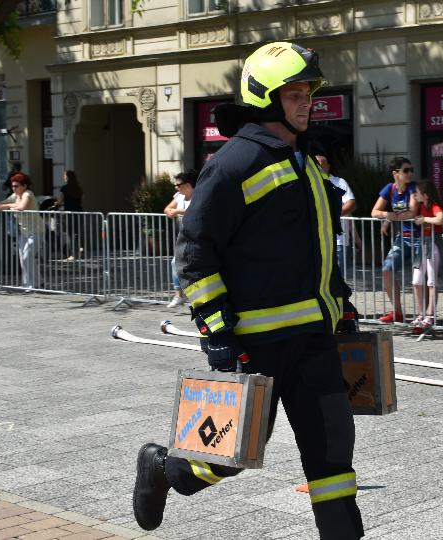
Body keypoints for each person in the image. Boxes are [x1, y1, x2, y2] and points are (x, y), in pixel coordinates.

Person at [132, 42, 364, 539]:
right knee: (225, 458)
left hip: (315, 343)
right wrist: (216, 327)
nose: (307, 103)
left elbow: (319, 246)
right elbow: (195, 251)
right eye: (295, 93)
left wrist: (340, 302)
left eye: (309, 93)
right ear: (265, 97)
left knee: (333, 460)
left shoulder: (305, 161)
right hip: (255, 345)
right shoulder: (234, 162)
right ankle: (163, 469)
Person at [370, 157, 417, 323]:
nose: (410, 173)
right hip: (402, 238)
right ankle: (397, 312)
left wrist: (391, 219)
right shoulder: (389, 188)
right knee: (386, 269)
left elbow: (412, 212)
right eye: (406, 170)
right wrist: (387, 215)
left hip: (420, 238)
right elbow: (374, 211)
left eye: (411, 170)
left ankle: (425, 317)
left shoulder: (413, 187)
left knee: (420, 278)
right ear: (395, 173)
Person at [0, 172, 43, 290]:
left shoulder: (28, 193)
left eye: (16, 186)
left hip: (36, 231)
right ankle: (34, 282)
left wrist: (10, 206)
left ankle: (31, 285)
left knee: (27, 257)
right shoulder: (14, 196)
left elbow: (22, 207)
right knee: (24, 259)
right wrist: (12, 205)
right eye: (13, 186)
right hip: (24, 232)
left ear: (24, 186)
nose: (14, 188)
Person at [410, 180, 443, 333]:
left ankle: (430, 315)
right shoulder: (422, 206)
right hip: (422, 244)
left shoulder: (434, 206)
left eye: (417, 192)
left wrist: (424, 219)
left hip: (433, 244)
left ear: (425, 195)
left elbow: (440, 219)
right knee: (416, 281)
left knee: (431, 281)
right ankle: (420, 313)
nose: (415, 194)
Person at [316, 152, 356, 278]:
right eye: (316, 165)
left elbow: (351, 203)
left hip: (338, 240)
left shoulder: (339, 182)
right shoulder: (310, 183)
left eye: (321, 165)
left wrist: (332, 215)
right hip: (318, 239)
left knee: (338, 278)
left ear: (328, 166)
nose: (319, 168)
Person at [164, 170, 196, 308]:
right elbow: (167, 208)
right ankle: (179, 295)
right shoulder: (179, 196)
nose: (176, 187)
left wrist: (176, 211)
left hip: (196, 236)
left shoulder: (198, 195)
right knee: (175, 263)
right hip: (183, 236)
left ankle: (194, 297)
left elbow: (196, 210)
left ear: (188, 185)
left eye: (178, 184)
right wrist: (171, 212)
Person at [53, 170, 85, 261]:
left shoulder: (64, 188)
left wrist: (56, 203)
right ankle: (80, 252)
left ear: (67, 177)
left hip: (70, 213)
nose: (63, 177)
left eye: (64, 176)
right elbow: (82, 200)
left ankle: (73, 255)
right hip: (79, 212)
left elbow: (60, 201)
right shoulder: (79, 188)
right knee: (78, 233)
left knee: (71, 234)